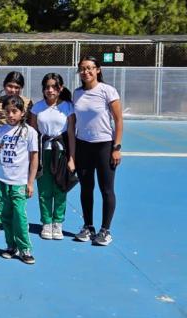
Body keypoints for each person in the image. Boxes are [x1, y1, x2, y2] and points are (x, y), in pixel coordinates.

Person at [72, 56, 123, 246]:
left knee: (106, 189)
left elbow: (118, 121)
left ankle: (105, 230)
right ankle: (88, 226)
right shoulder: (77, 93)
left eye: (90, 68)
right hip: (83, 145)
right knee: (86, 188)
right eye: (82, 69)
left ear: (98, 70)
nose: (86, 72)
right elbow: (74, 121)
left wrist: (116, 147)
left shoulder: (107, 91)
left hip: (104, 145)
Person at [28, 73, 75, 241]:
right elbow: (32, 134)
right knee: (45, 189)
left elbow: (71, 134)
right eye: (47, 87)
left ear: (60, 88)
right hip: (43, 152)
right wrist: (32, 158)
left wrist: (71, 158)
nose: (50, 90)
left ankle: (58, 223)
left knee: (60, 188)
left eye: (54, 87)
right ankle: (46, 222)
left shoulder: (68, 107)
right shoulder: (36, 108)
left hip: (61, 152)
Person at [0, 96, 39, 265]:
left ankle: (25, 247)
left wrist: (30, 182)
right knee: (5, 215)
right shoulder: (1, 131)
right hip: (0, 179)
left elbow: (34, 158)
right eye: (8, 111)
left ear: (22, 112)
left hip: (19, 181)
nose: (11, 115)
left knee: (19, 215)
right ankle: (10, 245)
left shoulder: (30, 132)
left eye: (15, 111)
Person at [0, 71, 33, 234]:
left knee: (17, 189)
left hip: (18, 152)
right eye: (10, 86)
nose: (13, 90)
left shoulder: (28, 103)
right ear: (4, 86)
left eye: (17, 87)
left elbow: (31, 127)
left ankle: (18, 219)